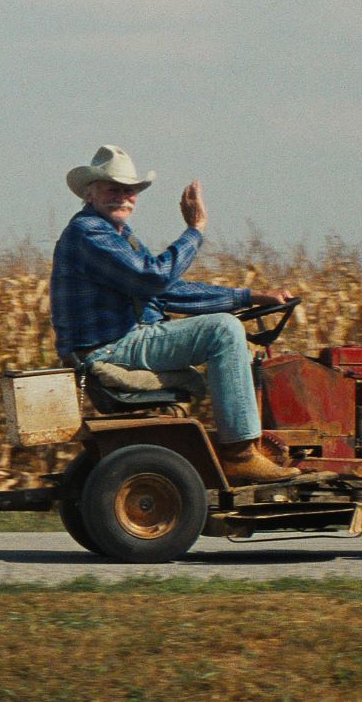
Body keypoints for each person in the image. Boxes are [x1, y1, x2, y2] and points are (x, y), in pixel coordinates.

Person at [52, 145, 300, 484]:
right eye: (113, 189)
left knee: (228, 330)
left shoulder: (119, 236)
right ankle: (240, 454)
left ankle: (242, 443)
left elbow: (167, 290)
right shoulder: (89, 233)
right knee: (223, 331)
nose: (123, 197)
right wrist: (195, 230)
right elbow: (153, 277)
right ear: (89, 194)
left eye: (129, 190)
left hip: (122, 341)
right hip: (110, 348)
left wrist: (250, 296)